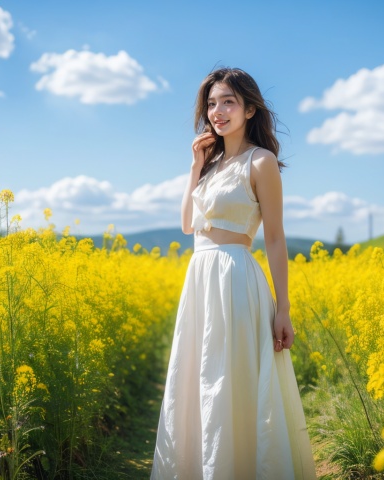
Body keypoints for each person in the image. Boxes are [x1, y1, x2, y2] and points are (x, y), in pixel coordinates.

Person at [151, 67, 316, 479]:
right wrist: (195, 166)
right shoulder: (211, 162)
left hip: (235, 278)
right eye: (211, 103)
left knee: (233, 380)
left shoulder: (261, 162)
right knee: (200, 378)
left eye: (228, 102)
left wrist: (284, 308)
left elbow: (275, 238)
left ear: (249, 108)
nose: (217, 111)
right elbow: (189, 226)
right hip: (200, 277)